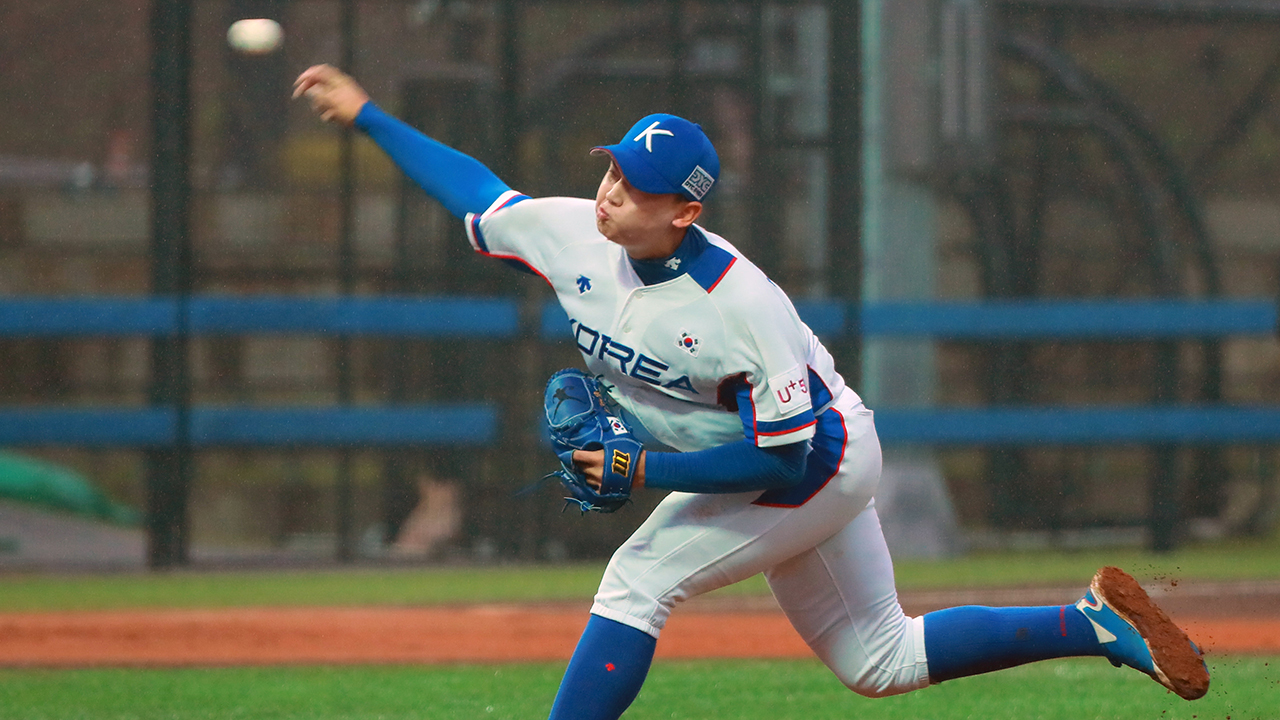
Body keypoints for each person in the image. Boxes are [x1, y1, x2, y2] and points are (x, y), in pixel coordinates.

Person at [294, 64, 1210, 718]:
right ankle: (1088, 622)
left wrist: (643, 463)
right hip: (770, 457)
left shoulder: (742, 305)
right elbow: (473, 188)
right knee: (879, 659)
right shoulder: (575, 233)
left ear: (685, 211)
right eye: (612, 169)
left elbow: (783, 455)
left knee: (639, 578)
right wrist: (368, 114)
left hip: (817, 460)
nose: (610, 191)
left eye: (636, 185)